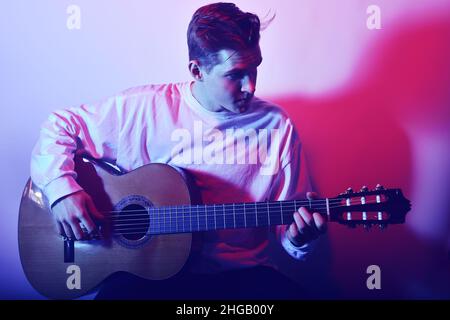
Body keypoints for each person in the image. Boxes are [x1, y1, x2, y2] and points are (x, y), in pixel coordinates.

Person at [30, 2, 327, 299]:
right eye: (236, 74)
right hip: (146, 275)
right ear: (197, 70)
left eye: (254, 69)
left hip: (240, 277)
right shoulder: (145, 109)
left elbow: (291, 233)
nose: (250, 86)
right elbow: (59, 126)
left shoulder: (277, 126)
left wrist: (298, 237)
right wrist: (62, 192)